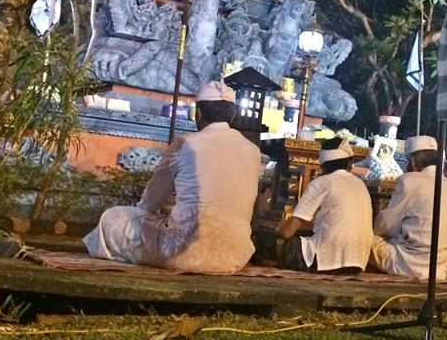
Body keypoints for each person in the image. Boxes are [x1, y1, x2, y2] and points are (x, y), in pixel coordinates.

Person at [84, 81, 262, 274]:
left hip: (184, 252)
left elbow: (150, 203)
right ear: (232, 115)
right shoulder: (253, 151)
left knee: (112, 218)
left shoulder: (185, 144)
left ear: (198, 114)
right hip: (235, 256)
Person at [370, 135, 447, 281]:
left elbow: (384, 227)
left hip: (419, 266)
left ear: (413, 161)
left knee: (365, 238)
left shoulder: (409, 181)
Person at [274, 137, 373, 274]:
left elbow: (287, 232)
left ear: (322, 167)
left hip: (326, 262)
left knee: (267, 243)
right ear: (350, 163)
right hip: (358, 263)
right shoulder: (360, 184)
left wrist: (277, 230)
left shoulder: (322, 182)